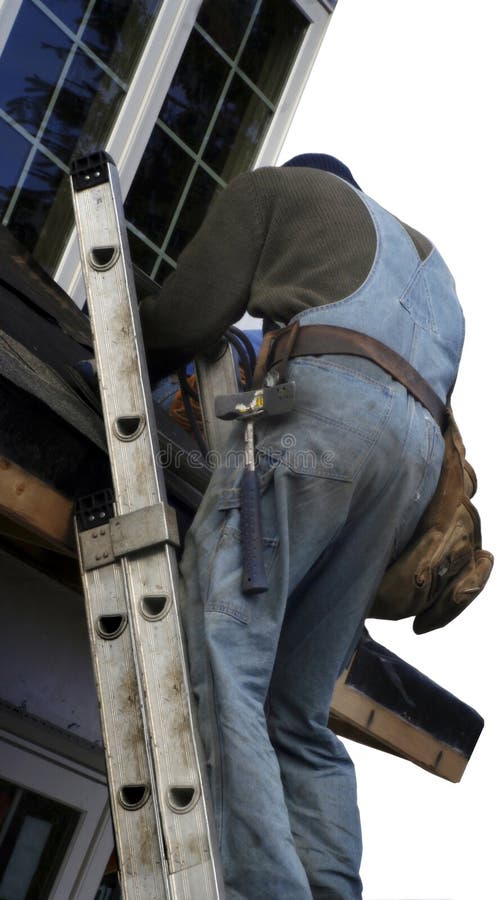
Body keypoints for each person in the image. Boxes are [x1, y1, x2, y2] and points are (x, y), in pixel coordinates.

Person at [140, 154, 464, 899]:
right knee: (297, 706)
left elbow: (186, 317)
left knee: (223, 648)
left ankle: (266, 890)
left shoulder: (278, 189)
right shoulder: (433, 270)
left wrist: (125, 334)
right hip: (410, 472)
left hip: (322, 417)